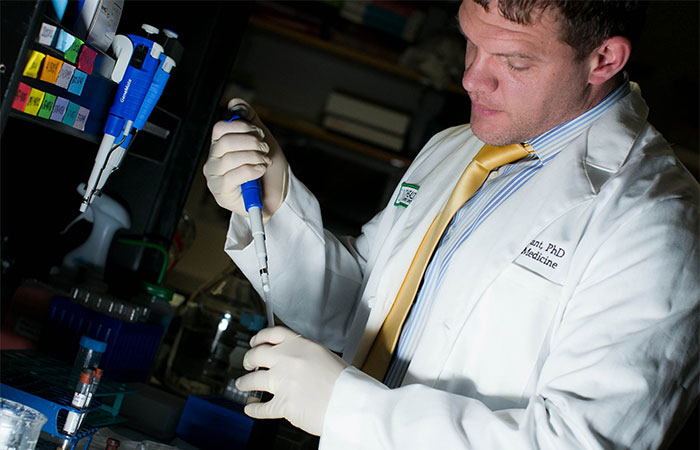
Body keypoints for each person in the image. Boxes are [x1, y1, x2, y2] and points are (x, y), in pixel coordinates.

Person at [204, 0, 699, 448]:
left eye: (514, 61)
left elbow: (582, 442)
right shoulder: (460, 145)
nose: (472, 79)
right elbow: (361, 313)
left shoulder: (658, 222)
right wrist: (274, 205)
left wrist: (347, 408)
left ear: (603, 59)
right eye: (471, 42)